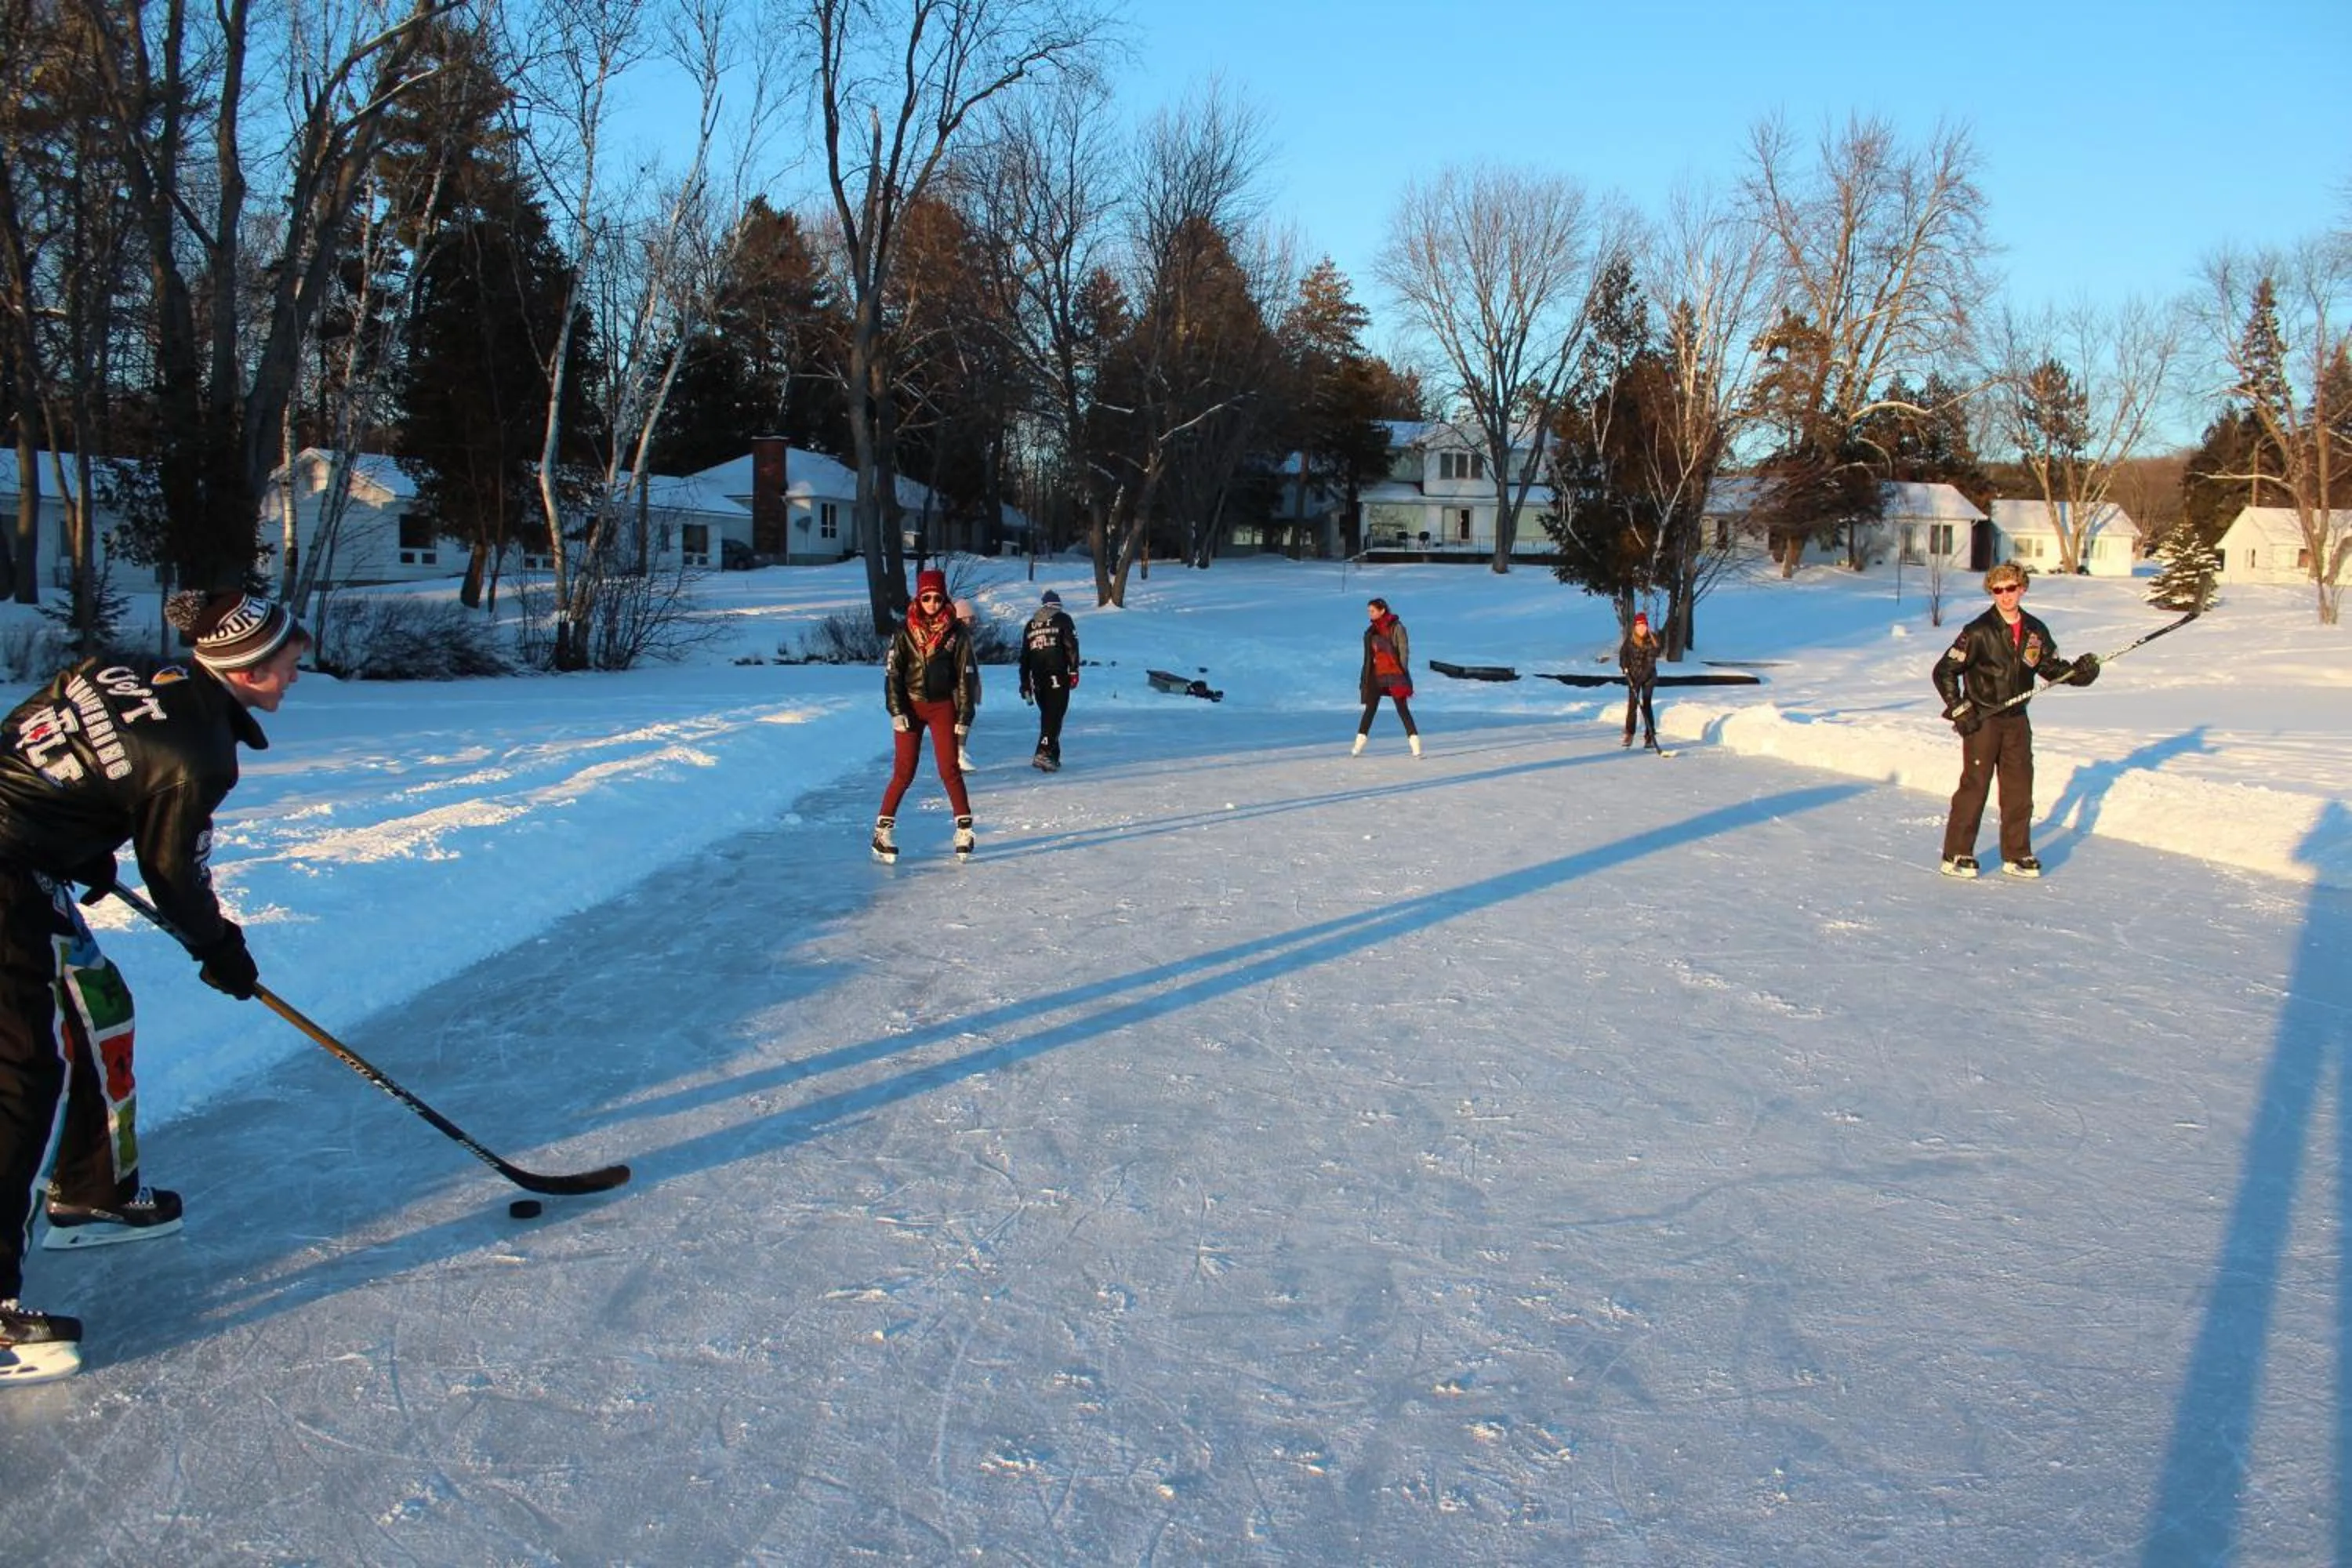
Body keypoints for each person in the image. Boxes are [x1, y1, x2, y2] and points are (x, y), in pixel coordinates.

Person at [0, 589, 309, 1385]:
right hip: (7, 876)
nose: (294, 677)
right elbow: (174, 877)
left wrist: (71, 829)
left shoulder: (130, 669)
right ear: (247, 666)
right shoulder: (199, 752)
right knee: (19, 1074)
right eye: (287, 663)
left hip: (29, 864)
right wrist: (221, 950)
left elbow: (46, 723)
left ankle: (90, 1191)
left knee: (98, 1012)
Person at [1931, 562, 2100, 879]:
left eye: (2011, 588)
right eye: (1998, 590)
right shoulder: (1978, 631)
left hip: (2017, 720)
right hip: (1984, 719)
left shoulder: (2035, 630)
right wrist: (1960, 709)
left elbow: (2049, 668)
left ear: (2022, 588)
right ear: (1992, 593)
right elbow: (1944, 672)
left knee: (2019, 788)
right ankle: (1957, 853)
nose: (2005, 595)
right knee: (1975, 786)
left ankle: (2017, 854)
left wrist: (2079, 673)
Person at [873, 568, 978, 862]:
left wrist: (964, 716)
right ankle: (881, 833)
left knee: (949, 768)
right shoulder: (904, 631)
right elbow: (893, 674)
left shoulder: (956, 632)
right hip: (911, 705)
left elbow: (966, 677)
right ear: (918, 599)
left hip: (942, 706)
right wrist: (896, 710)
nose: (932, 603)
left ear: (945, 599)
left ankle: (964, 830)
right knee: (904, 771)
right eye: (926, 598)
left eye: (937, 598)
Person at [1018, 589, 1080, 772]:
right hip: (1057, 674)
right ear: (1057, 606)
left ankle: (1053, 755)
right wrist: (1074, 670)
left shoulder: (1031, 625)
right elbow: (1071, 645)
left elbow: (1024, 657)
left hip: (1037, 677)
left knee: (1048, 715)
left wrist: (1025, 683)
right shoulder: (1063, 619)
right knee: (1055, 714)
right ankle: (1044, 752)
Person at [1353, 597, 1421, 757]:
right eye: (1368, 611)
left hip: (1395, 674)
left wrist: (1401, 673)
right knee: (1370, 708)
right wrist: (1365, 677)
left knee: (1402, 708)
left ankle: (1415, 744)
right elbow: (1368, 658)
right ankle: (1358, 745)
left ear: (1382, 610)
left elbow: (1404, 652)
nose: (1370, 614)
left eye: (1372, 611)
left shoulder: (1397, 627)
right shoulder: (1371, 632)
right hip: (1376, 675)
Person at [1618, 610, 1662, 752]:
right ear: (1635, 627)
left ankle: (1650, 735)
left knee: (1646, 704)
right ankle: (1629, 733)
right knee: (1632, 705)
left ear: (1647, 626)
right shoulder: (1630, 639)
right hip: (1632, 675)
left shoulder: (1652, 641)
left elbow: (1649, 666)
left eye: (1643, 625)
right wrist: (1624, 665)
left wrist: (1638, 682)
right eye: (1639, 626)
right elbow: (1623, 654)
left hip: (1648, 678)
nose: (1641, 628)